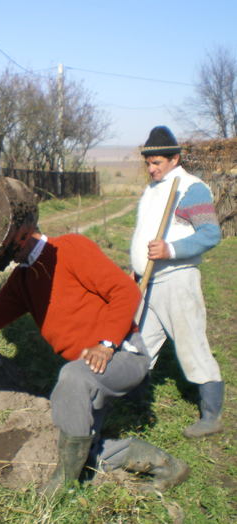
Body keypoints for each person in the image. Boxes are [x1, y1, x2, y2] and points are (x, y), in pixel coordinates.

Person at [0, 229, 189, 497]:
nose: (0, 257)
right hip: (89, 372)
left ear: (22, 235)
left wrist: (106, 344)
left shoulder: (70, 248)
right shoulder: (23, 281)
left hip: (122, 355)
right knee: (86, 452)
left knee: (72, 377)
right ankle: (166, 465)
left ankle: (61, 488)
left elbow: (125, 291)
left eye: (2, 247)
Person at [131, 125, 223, 438]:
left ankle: (212, 416)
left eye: (157, 163)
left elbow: (211, 234)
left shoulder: (190, 188)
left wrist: (170, 249)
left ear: (175, 159)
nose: (151, 168)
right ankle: (134, 404)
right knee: (139, 345)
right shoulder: (153, 188)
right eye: (148, 163)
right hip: (147, 283)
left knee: (192, 345)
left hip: (177, 281)